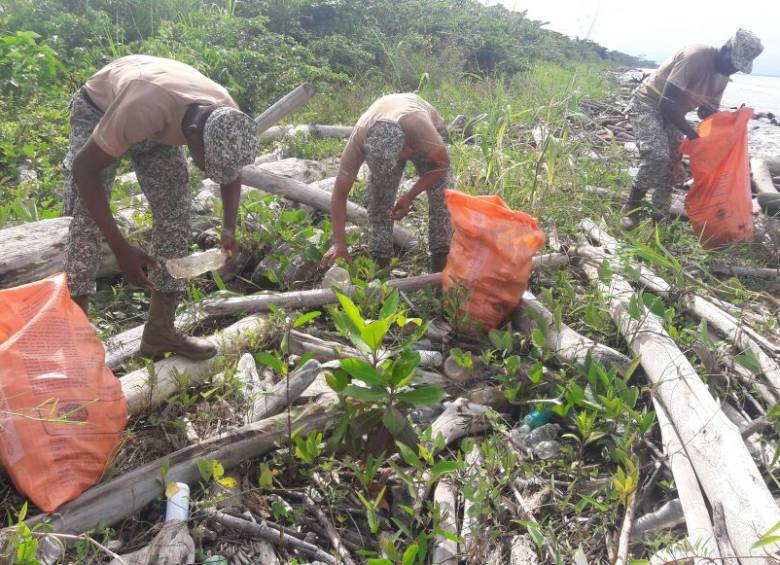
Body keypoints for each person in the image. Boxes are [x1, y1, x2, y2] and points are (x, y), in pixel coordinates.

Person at [63, 55, 259, 360]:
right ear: (193, 134)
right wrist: (119, 247)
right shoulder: (142, 108)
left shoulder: (226, 115)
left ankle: (159, 332)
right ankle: (74, 343)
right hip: (100, 108)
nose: (211, 174)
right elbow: (84, 169)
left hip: (160, 117)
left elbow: (231, 172)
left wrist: (229, 227)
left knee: (177, 211)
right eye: (207, 165)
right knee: (86, 218)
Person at [621, 29, 763, 230]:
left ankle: (658, 218)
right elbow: (666, 102)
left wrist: (732, 119)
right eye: (732, 63)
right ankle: (631, 206)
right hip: (648, 103)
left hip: (672, 115)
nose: (732, 70)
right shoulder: (696, 56)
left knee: (671, 168)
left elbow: (707, 113)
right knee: (657, 156)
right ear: (724, 49)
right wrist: (693, 136)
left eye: (738, 68)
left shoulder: (722, 77)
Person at [321, 93, 453, 272]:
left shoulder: (420, 129)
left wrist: (409, 196)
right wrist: (339, 244)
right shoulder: (359, 139)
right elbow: (339, 193)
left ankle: (441, 269)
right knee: (379, 202)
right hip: (387, 133)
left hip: (422, 133)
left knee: (443, 201)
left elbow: (442, 164)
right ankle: (381, 270)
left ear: (405, 147)